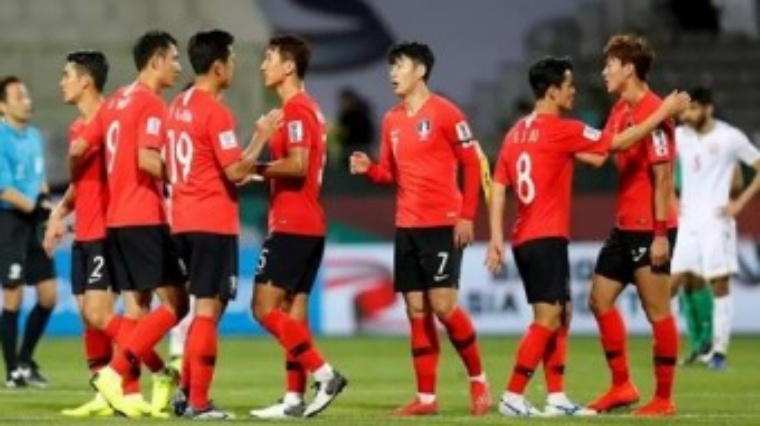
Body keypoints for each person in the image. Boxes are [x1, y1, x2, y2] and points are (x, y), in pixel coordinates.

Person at [486, 56, 688, 417]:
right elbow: (616, 144)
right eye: (568, 85)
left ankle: (558, 396)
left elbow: (499, 184)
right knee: (548, 319)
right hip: (547, 236)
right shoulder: (563, 129)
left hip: (524, 236)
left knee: (565, 314)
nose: (574, 90)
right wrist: (663, 112)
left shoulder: (516, 131)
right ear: (552, 91)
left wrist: (496, 237)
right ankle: (513, 395)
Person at [350, 41, 491, 416]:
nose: (392, 73)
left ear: (421, 71)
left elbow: (473, 163)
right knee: (416, 309)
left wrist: (466, 215)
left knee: (443, 306)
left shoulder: (447, 113)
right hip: (407, 225)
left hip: (442, 223)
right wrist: (370, 170)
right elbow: (390, 174)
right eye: (391, 67)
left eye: (399, 66)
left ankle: (478, 379)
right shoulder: (391, 120)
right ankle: (426, 398)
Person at [70, 30, 187, 418]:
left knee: (136, 308)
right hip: (144, 216)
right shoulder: (151, 103)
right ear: (155, 60)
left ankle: (131, 393)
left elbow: (81, 146)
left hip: (116, 221)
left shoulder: (117, 99)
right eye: (173, 58)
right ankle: (115, 374)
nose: (178, 66)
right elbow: (146, 159)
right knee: (177, 303)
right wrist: (188, 177)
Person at [165, 29, 281, 419]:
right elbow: (234, 170)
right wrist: (260, 138)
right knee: (207, 311)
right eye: (231, 59)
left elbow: (202, 163)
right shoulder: (216, 112)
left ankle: (185, 395)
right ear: (217, 67)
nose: (234, 66)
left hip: (182, 219)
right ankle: (198, 402)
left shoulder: (177, 104)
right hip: (211, 221)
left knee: (198, 309)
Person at [248, 34, 347, 419]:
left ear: (289, 66)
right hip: (307, 223)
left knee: (263, 308)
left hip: (292, 224)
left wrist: (256, 169)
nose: (263, 65)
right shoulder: (308, 109)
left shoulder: (297, 110)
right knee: (292, 314)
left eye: (269, 58)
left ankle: (325, 374)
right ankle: (293, 399)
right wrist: (262, 174)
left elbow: (298, 165)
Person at [586, 34, 680, 416]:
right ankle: (622, 386)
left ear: (629, 68)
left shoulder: (657, 112)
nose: (604, 71)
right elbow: (606, 149)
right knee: (599, 300)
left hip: (649, 228)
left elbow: (663, 179)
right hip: (624, 226)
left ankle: (663, 399)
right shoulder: (621, 109)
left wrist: (660, 235)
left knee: (657, 312)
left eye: (610, 64)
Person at [44, 50, 117, 417]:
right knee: (87, 316)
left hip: (109, 232)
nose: (61, 83)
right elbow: (80, 185)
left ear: (86, 80)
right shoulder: (78, 129)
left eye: (66, 75)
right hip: (84, 233)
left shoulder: (111, 122)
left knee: (98, 312)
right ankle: (103, 392)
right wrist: (59, 213)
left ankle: (143, 372)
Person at [670, 86, 760, 370]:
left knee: (719, 282)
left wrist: (739, 203)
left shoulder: (729, 137)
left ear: (708, 109)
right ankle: (668, 348)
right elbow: (657, 167)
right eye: (684, 110)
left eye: (692, 109)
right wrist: (671, 199)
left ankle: (719, 352)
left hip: (717, 222)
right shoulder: (679, 136)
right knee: (670, 284)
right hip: (687, 222)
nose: (686, 115)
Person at [0, 76, 57, 388]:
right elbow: (4, 189)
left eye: (27, 95)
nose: (27, 101)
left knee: (49, 295)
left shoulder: (34, 135)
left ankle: (25, 360)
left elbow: (39, 177)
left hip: (33, 219)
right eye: (19, 96)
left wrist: (46, 201)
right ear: (2, 105)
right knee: (14, 294)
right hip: (9, 221)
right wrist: (36, 208)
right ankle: (12, 371)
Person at [336, 87, 374, 162]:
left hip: (354, 150)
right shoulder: (363, 114)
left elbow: (344, 135)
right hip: (358, 150)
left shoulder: (352, 116)